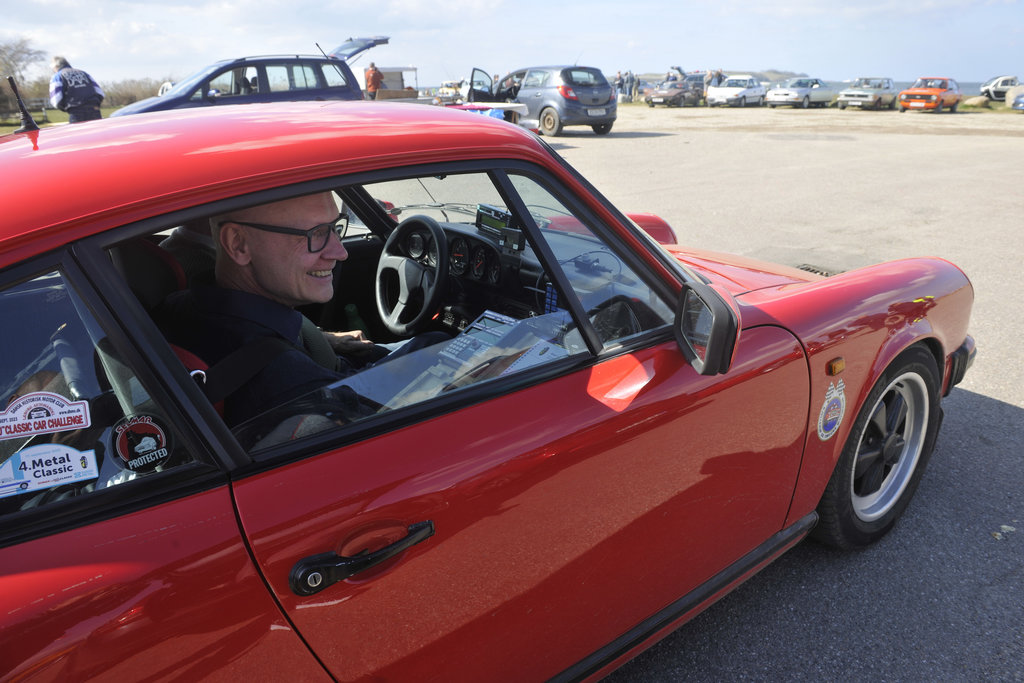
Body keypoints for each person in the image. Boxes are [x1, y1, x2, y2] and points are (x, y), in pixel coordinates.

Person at [155, 192, 440, 428]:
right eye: (316, 233)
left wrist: (323, 337)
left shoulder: (182, 306)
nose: (340, 252)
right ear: (238, 244)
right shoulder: (297, 390)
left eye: (335, 227)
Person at [49, 56, 104, 123]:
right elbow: (100, 93)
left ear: (56, 66)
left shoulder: (57, 76)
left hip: (76, 111)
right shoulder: (84, 73)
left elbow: (56, 99)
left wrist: (65, 108)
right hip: (94, 108)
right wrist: (95, 104)